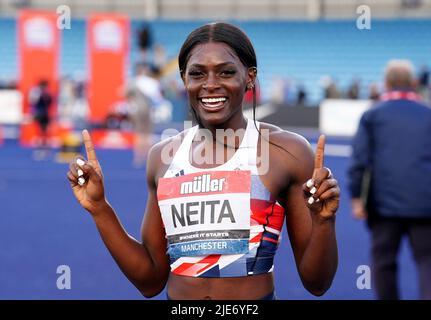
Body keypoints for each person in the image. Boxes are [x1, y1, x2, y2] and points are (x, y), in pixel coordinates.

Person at [67, 22, 340, 300]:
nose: (210, 84)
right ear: (184, 79)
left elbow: (317, 283)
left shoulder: (287, 152)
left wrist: (323, 223)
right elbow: (150, 280)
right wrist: (100, 208)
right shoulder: (162, 158)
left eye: (226, 72)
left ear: (249, 77)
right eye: (197, 74)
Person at [347, 60, 431, 300]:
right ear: (414, 83)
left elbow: (360, 160)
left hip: (384, 204)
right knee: (428, 262)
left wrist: (356, 198)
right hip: (425, 203)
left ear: (386, 83)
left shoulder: (372, 114)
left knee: (384, 263)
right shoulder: (428, 113)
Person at [29, 79, 53, 159]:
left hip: (44, 114)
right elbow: (33, 102)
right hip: (40, 114)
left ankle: (44, 149)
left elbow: (50, 103)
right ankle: (40, 149)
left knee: (44, 132)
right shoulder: (37, 92)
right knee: (40, 132)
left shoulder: (47, 93)